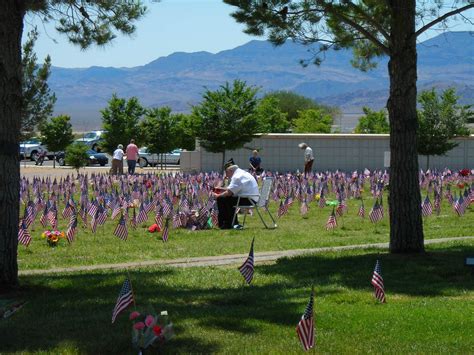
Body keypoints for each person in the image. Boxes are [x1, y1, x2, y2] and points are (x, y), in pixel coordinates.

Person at [212, 160, 259, 230]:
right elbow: (233, 189)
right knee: (226, 198)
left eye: (226, 173)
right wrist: (220, 189)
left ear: (230, 171)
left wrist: (217, 196)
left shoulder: (237, 177)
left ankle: (226, 223)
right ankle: (232, 222)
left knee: (222, 199)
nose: (226, 176)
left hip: (249, 200)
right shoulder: (242, 173)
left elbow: (229, 193)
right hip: (252, 198)